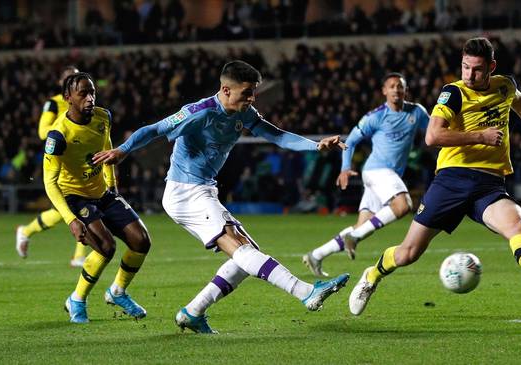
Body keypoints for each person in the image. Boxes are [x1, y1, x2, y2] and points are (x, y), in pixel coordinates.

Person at [93, 60, 350, 334]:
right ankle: (306, 292)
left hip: (203, 188)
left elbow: (276, 135)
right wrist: (123, 149)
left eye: (253, 93)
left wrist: (315, 145)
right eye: (246, 93)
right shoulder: (199, 112)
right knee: (238, 247)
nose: (251, 99)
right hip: (185, 191)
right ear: (226, 90)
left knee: (248, 252)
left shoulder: (245, 112)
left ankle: (193, 312)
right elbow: (154, 129)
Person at [349, 37, 521, 315]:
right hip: (452, 180)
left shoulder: (504, 85)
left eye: (477, 69)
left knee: (516, 224)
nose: (469, 75)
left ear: (491, 67)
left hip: (489, 183)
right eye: (465, 67)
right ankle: (372, 275)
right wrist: (480, 136)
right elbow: (433, 136)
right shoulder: (453, 93)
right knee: (409, 253)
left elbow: (516, 98)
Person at [43, 72, 151, 323]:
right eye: (83, 93)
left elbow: (107, 148)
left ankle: (117, 292)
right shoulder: (59, 135)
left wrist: (112, 184)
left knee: (141, 240)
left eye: (92, 91)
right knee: (106, 246)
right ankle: (77, 300)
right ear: (68, 97)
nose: (90, 97)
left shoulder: (103, 116)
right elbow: (49, 182)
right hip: (74, 197)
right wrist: (70, 219)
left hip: (102, 192)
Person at [303, 73, 429, 277]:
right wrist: (345, 168)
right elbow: (350, 141)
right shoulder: (376, 116)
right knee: (403, 204)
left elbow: (433, 131)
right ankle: (355, 237)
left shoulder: (417, 112)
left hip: (385, 176)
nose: (396, 89)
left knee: (362, 225)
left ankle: (316, 255)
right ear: (384, 91)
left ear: (405, 90)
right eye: (392, 86)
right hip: (376, 170)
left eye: (400, 86)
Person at [16, 65, 89, 267]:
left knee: (66, 209)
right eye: (69, 78)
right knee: (80, 204)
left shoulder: (85, 102)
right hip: (61, 159)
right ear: (62, 83)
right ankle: (78, 256)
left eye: (76, 77)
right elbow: (42, 132)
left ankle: (26, 231)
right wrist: (64, 126)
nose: (74, 81)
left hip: (80, 158)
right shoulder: (54, 104)